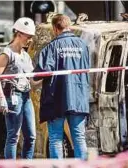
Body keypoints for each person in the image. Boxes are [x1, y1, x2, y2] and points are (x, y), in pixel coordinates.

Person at [34, 14, 91, 159]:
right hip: (78, 97)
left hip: (56, 99)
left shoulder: (52, 47)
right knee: (79, 138)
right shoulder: (83, 45)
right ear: (69, 26)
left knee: (55, 139)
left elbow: (43, 72)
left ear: (55, 28)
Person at [0, 17, 37, 159]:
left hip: (26, 96)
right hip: (12, 96)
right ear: (19, 34)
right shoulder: (7, 53)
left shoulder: (25, 56)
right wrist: (2, 99)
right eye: (28, 37)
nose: (30, 40)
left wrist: (47, 79)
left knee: (31, 136)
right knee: (13, 136)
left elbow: (32, 82)